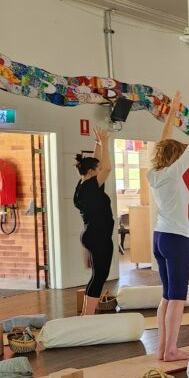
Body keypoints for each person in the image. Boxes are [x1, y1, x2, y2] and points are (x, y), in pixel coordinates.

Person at [149, 89, 189, 361]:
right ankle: (170, 349)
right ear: (175, 159)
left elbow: (164, 142)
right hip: (175, 239)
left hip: (159, 237)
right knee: (177, 296)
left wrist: (172, 112)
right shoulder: (173, 173)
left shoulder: (154, 174)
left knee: (167, 295)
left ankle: (162, 348)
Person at [73, 126, 114, 316]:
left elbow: (99, 163)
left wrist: (97, 143)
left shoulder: (83, 185)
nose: (101, 172)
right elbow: (107, 167)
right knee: (100, 275)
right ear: (91, 172)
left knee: (98, 275)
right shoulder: (91, 186)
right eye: (97, 170)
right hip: (98, 235)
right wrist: (105, 143)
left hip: (92, 233)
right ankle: (87, 315)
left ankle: (85, 313)